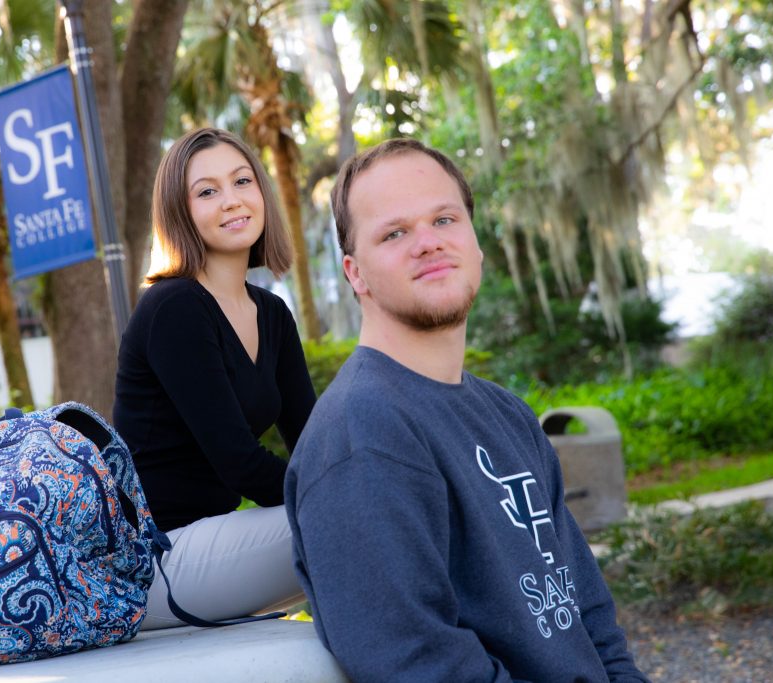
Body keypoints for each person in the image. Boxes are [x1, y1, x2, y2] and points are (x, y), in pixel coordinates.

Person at [284, 138, 650, 682]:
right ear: (354, 273)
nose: (428, 243)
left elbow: (588, 615)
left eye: (445, 219)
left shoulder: (506, 414)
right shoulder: (361, 434)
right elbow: (415, 663)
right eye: (395, 232)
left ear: (475, 244)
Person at [113, 127, 316, 629]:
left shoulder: (271, 313)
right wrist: (341, 490)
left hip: (213, 544)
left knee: (373, 500)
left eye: (242, 181)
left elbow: (312, 444)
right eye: (207, 191)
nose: (231, 201)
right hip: (155, 561)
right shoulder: (174, 307)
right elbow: (240, 465)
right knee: (352, 512)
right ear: (180, 213)